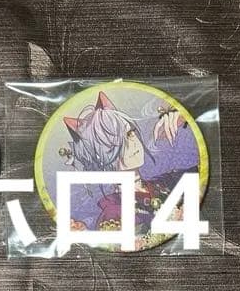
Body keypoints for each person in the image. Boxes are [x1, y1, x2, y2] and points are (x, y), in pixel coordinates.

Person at [61, 91, 196, 232]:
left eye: (129, 133)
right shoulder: (114, 214)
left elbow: (199, 177)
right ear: (100, 161)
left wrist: (182, 119)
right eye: (115, 144)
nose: (131, 143)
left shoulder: (161, 184)